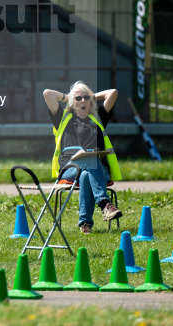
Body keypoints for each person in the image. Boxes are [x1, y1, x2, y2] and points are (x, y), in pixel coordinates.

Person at [42, 81, 123, 234]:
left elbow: (113, 93)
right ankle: (105, 204)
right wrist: (69, 98)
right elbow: (47, 93)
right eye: (78, 98)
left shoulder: (98, 117)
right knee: (89, 163)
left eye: (86, 98)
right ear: (73, 102)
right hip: (70, 169)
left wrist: (91, 96)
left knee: (87, 172)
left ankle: (85, 225)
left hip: (98, 170)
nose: (83, 101)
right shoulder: (63, 118)